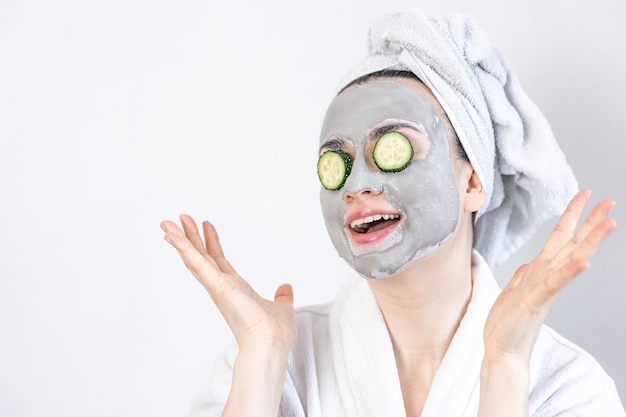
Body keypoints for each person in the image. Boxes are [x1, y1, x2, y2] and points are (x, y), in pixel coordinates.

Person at [160, 9, 625, 417]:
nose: (355, 185)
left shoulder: (567, 387)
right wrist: (261, 364)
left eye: (392, 149)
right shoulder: (269, 359)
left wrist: (503, 366)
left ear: (473, 182)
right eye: (336, 162)